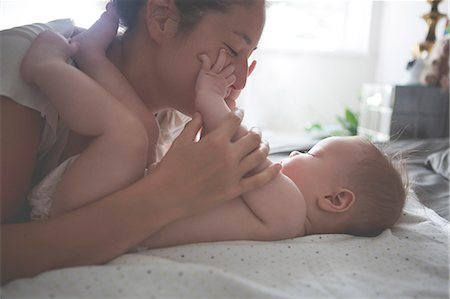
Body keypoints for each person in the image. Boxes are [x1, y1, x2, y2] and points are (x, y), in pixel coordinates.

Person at [0, 0, 280, 284]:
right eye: (233, 50)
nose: (242, 81)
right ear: (161, 19)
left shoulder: (171, 115)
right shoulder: (24, 64)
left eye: (249, 57)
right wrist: (168, 195)